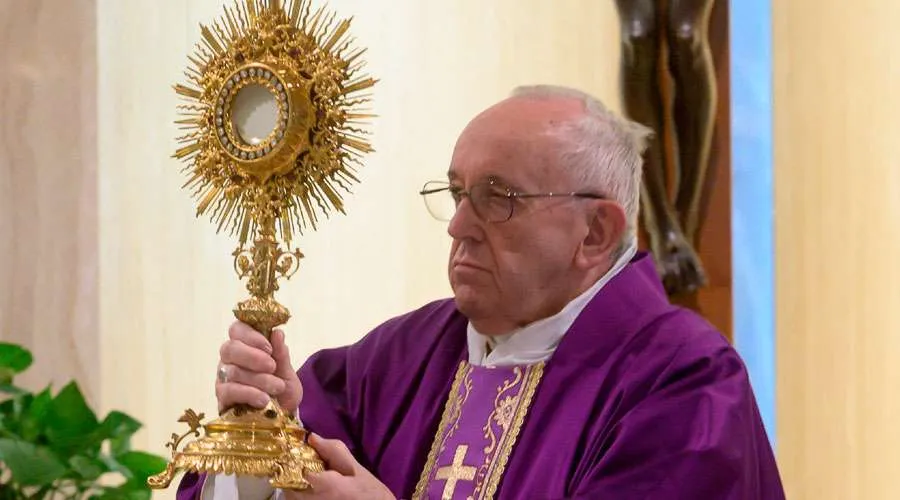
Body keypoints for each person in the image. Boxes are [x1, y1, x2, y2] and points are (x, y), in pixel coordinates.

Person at [178, 85, 785, 499]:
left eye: (499, 198)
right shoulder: (400, 359)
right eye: (457, 193)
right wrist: (266, 441)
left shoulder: (681, 384)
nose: (459, 226)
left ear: (595, 233)